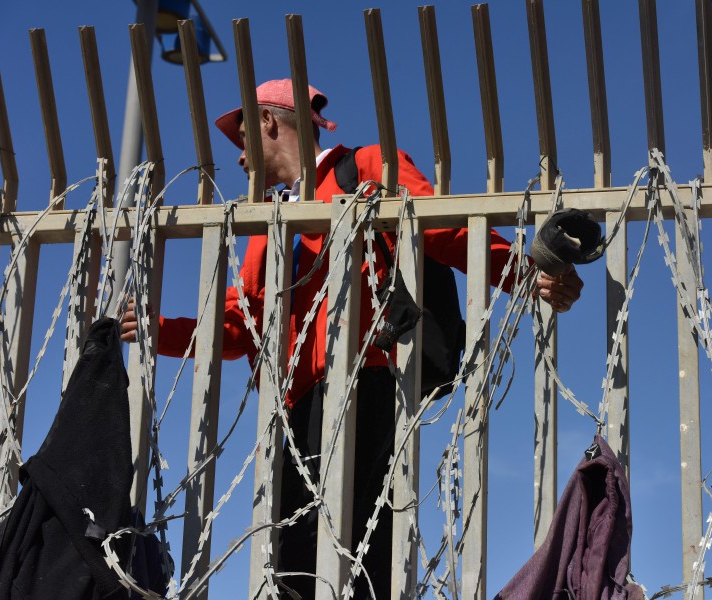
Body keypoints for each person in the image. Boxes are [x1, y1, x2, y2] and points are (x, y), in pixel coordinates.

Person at [121, 79, 583, 599]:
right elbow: (243, 322)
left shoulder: (364, 169)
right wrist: (161, 330)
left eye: (244, 136)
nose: (239, 157)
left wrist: (525, 273)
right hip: (294, 405)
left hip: (368, 383)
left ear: (270, 122)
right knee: (295, 558)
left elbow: (443, 230)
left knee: (359, 550)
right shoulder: (269, 222)